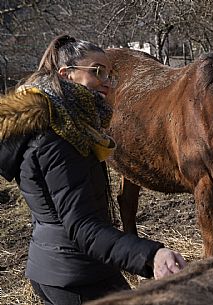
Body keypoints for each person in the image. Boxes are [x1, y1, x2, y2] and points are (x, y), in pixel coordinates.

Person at [0, 34, 186, 305]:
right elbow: (83, 226)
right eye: (98, 71)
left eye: (110, 75)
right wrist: (151, 255)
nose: (107, 83)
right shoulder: (58, 138)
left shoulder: (67, 125)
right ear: (67, 75)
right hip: (77, 276)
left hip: (63, 266)